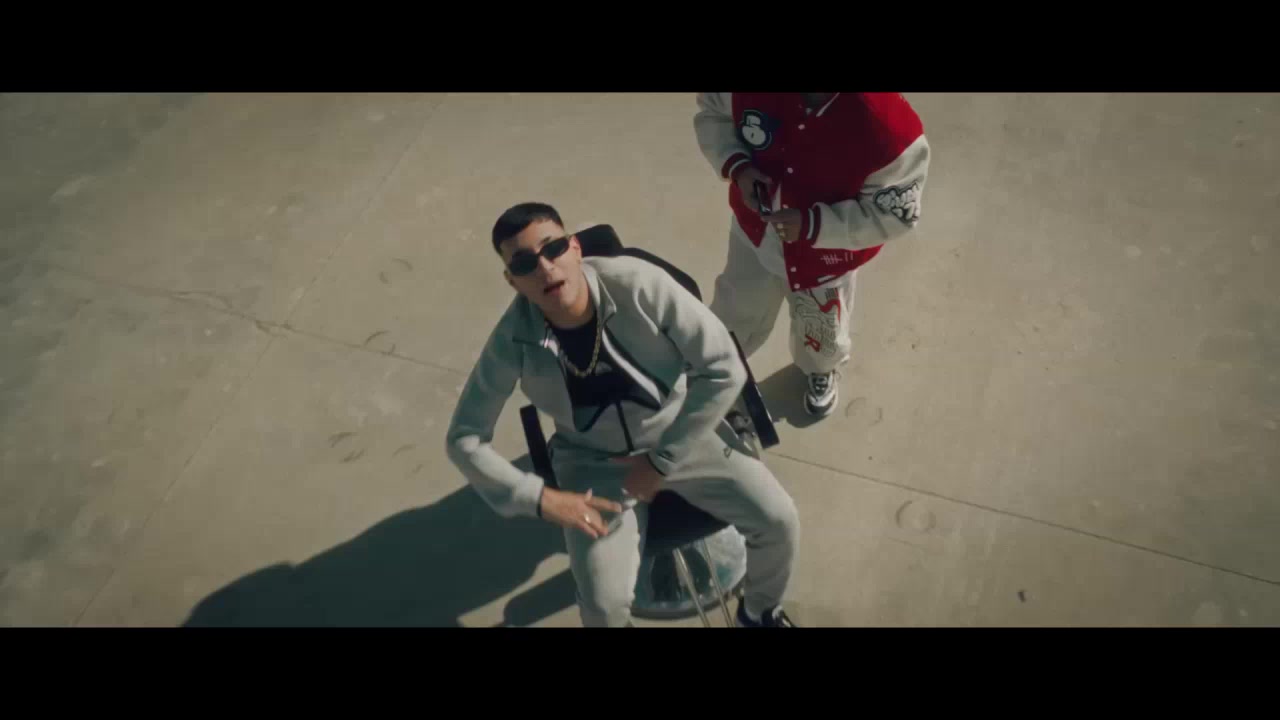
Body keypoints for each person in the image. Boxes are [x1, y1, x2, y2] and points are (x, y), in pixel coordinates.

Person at [445, 202, 801, 628]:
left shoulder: (639, 285)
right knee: (603, 606)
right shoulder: (511, 340)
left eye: (553, 248)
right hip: (593, 462)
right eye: (524, 263)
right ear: (512, 280)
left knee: (780, 521)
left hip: (682, 432)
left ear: (575, 248)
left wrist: (661, 461)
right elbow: (464, 437)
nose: (544, 268)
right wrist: (537, 497)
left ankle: (758, 614)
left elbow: (724, 366)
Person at [694, 93, 931, 417]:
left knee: (822, 329)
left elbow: (895, 215)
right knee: (735, 304)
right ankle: (715, 363)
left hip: (825, 258)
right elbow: (712, 114)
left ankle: (821, 369)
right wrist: (739, 166)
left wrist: (815, 225)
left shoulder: (890, 129)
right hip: (755, 235)